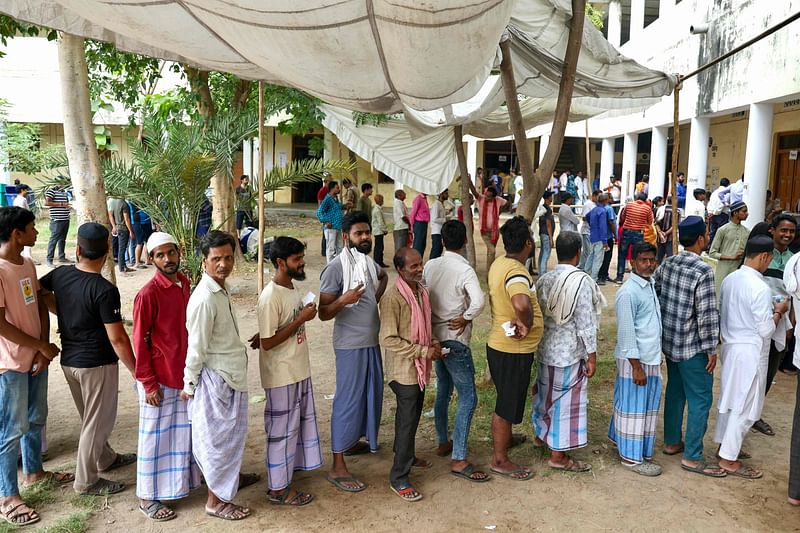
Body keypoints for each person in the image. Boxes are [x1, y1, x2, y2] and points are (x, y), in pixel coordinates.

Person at [40, 222, 138, 494]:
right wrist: (135, 370)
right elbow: (118, 338)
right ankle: (86, 481)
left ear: (78, 249)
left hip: (70, 361)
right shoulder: (104, 290)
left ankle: (105, 458)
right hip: (96, 364)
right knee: (97, 422)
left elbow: (39, 290)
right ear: (107, 251)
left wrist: (63, 312)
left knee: (89, 417)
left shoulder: (60, 274)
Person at [0, 207, 69, 527]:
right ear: (16, 235)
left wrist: (43, 348)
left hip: (35, 357)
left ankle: (34, 473)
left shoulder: (27, 263)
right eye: (31, 228)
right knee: (11, 430)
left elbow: (39, 304)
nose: (37, 232)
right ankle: (8, 496)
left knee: (35, 418)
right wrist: (38, 346)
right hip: (9, 363)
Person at [182, 230, 258, 521]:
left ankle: (228, 484)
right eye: (217, 259)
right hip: (217, 380)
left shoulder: (219, 288)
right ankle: (216, 502)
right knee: (218, 442)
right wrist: (189, 384)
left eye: (228, 257)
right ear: (205, 261)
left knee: (230, 439)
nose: (224, 264)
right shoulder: (203, 299)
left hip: (230, 375)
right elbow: (196, 348)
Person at [133, 232, 201, 521]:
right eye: (160, 255)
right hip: (158, 378)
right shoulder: (148, 294)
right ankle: (147, 496)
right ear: (151, 259)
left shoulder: (184, 282)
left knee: (183, 433)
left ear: (179, 252)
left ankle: (180, 486)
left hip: (183, 373)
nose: (167, 259)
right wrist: (148, 383)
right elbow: (139, 341)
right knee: (154, 438)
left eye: (171, 253)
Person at [319, 211, 388, 492]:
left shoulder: (368, 262)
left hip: (370, 341)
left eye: (368, 233)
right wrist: (345, 300)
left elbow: (383, 278)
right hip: (350, 345)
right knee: (347, 401)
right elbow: (323, 313)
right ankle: (337, 465)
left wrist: (373, 299)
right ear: (346, 237)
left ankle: (353, 443)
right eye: (359, 234)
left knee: (370, 395)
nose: (365, 237)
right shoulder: (336, 268)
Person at [251, 237, 322, 506]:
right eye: (297, 259)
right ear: (281, 263)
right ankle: (278, 490)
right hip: (281, 375)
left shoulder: (290, 287)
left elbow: (272, 331)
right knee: (281, 431)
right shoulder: (269, 297)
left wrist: (299, 318)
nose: (302, 262)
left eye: (302, 257)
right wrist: (300, 319)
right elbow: (268, 344)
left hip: (297, 369)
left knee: (295, 427)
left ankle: (288, 472)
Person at [653, 216, 725, 477]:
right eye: (705, 234)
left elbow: (657, 291)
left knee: (675, 392)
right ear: (700, 239)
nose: (707, 237)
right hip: (693, 347)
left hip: (671, 342)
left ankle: (672, 442)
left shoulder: (668, 263)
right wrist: (711, 349)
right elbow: (706, 314)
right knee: (700, 399)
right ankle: (693, 456)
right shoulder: (703, 271)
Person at [714, 235, 789, 480]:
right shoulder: (759, 287)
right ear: (765, 257)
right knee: (745, 407)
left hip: (732, 347)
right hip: (751, 351)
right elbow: (766, 329)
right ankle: (728, 458)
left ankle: (724, 446)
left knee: (730, 400)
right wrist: (778, 312)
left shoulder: (730, 279)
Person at [422, 220, 488, 482]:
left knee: (443, 391)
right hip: (455, 339)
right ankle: (459, 457)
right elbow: (479, 300)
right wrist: (467, 316)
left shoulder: (431, 265)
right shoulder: (464, 269)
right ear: (465, 242)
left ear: (442, 241)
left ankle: (442, 440)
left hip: (436, 339)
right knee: (468, 397)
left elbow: (424, 293)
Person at [532, 230, 600, 473]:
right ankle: (558, 455)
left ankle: (541, 436)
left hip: (545, 348)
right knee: (565, 402)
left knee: (545, 395)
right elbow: (585, 323)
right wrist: (591, 356)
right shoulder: (582, 282)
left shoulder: (545, 279)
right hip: (569, 352)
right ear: (579, 253)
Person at [379, 247, 439, 501]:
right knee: (406, 422)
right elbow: (387, 339)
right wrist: (423, 351)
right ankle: (399, 477)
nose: (419, 269)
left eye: (420, 264)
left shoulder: (421, 291)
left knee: (412, 418)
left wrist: (433, 342)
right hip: (404, 371)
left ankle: (408, 455)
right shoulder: (393, 298)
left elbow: (426, 324)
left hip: (420, 369)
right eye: (413, 266)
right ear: (400, 270)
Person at [487, 216, 544, 481]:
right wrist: (527, 322)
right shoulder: (517, 272)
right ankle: (500, 459)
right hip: (512, 349)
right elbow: (521, 303)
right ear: (528, 244)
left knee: (507, 399)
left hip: (501, 344)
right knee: (506, 403)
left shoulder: (500, 263)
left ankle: (506, 439)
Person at [608, 242, 663, 476]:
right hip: (636, 361)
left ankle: (621, 441)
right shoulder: (628, 293)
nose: (649, 264)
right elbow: (627, 334)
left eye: (652, 260)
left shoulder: (648, 285)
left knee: (642, 406)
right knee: (634, 408)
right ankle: (631, 458)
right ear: (633, 262)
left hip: (650, 357)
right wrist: (637, 368)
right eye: (643, 260)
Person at [752, 213, 798, 436]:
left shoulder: (794, 260)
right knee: (752, 369)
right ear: (773, 230)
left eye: (791, 231)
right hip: (756, 321)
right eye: (784, 230)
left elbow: (794, 295)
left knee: (769, 369)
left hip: (781, 324)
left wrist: (791, 323)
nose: (787, 235)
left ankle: (756, 414)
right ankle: (745, 411)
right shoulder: (761, 254)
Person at [708, 201, 749, 295]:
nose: (747, 214)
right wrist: (732, 257)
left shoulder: (747, 232)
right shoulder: (723, 230)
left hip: (739, 272)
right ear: (735, 213)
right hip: (723, 272)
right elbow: (712, 253)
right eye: (744, 211)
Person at [614, 192, 654, 284]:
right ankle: (636, 276)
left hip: (626, 232)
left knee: (622, 254)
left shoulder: (628, 205)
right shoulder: (647, 208)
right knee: (638, 255)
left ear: (636, 198)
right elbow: (650, 221)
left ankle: (619, 277)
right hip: (639, 233)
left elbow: (623, 217)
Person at [468, 182, 507, 271]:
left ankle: (489, 273)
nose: (487, 197)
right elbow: (474, 192)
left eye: (489, 196)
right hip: (484, 231)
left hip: (495, 232)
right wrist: (470, 182)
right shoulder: (481, 199)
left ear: (494, 197)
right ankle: (490, 271)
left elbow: (508, 204)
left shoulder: (498, 200)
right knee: (492, 250)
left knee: (490, 253)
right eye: (486, 195)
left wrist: (499, 211)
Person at [317, 180, 348, 263]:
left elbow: (338, 207)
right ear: (332, 189)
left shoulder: (335, 199)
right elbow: (319, 212)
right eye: (337, 188)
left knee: (340, 247)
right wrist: (326, 222)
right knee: (331, 248)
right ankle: (330, 266)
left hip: (338, 226)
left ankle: (338, 263)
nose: (339, 190)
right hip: (331, 227)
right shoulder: (327, 199)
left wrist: (345, 206)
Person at [44, 182, 72, 268]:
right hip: (57, 220)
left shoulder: (64, 192)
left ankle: (62, 257)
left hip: (65, 219)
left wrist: (68, 206)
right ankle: (49, 260)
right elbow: (47, 203)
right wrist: (61, 204)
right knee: (53, 240)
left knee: (62, 239)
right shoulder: (51, 191)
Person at [585, 193, 611, 282]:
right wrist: (605, 241)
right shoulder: (602, 211)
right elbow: (603, 227)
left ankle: (585, 273)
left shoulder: (594, 209)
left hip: (592, 235)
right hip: (600, 237)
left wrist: (592, 225)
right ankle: (593, 278)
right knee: (598, 259)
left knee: (591, 256)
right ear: (605, 201)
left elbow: (587, 217)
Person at [107, 196, 134, 275]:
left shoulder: (112, 202)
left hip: (117, 228)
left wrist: (114, 226)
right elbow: (126, 219)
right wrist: (131, 231)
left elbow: (110, 215)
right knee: (122, 249)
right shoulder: (124, 204)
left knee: (121, 248)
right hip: (123, 228)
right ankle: (122, 269)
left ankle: (124, 266)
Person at [597, 197, 618, 284]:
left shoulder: (597, 208)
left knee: (600, 256)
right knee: (607, 257)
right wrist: (615, 235)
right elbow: (611, 222)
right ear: (606, 200)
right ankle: (602, 276)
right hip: (608, 236)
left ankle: (603, 274)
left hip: (599, 236)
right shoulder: (609, 208)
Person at [577, 190, 598, 271]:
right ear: (594, 196)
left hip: (592, 231)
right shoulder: (587, 204)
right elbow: (584, 217)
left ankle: (582, 266)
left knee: (587, 251)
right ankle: (585, 268)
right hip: (587, 230)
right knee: (588, 251)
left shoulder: (596, 205)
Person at [707, 178, 732, 244]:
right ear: (728, 184)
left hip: (713, 214)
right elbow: (722, 203)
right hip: (722, 214)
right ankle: (717, 248)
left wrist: (710, 212)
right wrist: (716, 212)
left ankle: (710, 246)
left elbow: (710, 203)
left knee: (713, 231)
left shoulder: (714, 192)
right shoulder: (726, 192)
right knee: (721, 233)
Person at [130, 202, 153, 269]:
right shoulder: (132, 201)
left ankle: (147, 260)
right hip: (138, 222)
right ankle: (137, 262)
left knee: (148, 242)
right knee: (140, 243)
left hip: (147, 221)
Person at [655, 197, 678, 263]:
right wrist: (666, 233)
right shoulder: (676, 211)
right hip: (670, 238)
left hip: (660, 237)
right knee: (670, 258)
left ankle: (656, 272)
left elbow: (656, 223)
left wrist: (660, 233)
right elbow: (675, 226)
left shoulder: (660, 209)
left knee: (658, 258)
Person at [538, 191, 555, 275]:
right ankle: (543, 273)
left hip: (542, 232)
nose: (552, 198)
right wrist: (551, 238)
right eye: (551, 196)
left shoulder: (542, 208)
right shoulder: (547, 209)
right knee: (546, 254)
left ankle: (540, 271)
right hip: (546, 233)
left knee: (542, 253)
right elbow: (548, 224)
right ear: (548, 198)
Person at [429, 191, 448, 260]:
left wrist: (446, 213)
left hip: (440, 231)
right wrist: (445, 220)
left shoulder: (440, 204)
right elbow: (434, 219)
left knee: (439, 250)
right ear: (441, 194)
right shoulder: (436, 204)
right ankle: (431, 266)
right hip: (436, 231)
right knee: (436, 250)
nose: (447, 195)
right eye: (446, 193)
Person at [409, 192, 430, 257]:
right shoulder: (418, 199)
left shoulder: (424, 199)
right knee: (418, 243)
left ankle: (419, 259)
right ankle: (415, 259)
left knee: (423, 244)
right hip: (419, 223)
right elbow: (413, 213)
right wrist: (411, 225)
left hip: (424, 224)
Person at [371, 194, 389, 267]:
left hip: (378, 231)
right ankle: (377, 262)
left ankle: (380, 261)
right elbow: (380, 221)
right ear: (379, 201)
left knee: (380, 247)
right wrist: (384, 230)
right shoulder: (377, 210)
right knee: (379, 247)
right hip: (378, 231)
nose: (383, 201)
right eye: (382, 200)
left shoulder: (378, 209)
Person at [393, 189, 410, 254]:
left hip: (403, 227)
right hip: (400, 228)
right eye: (403, 193)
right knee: (400, 248)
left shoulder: (401, 202)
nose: (405, 194)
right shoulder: (398, 203)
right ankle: (398, 262)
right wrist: (409, 222)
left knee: (403, 247)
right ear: (399, 195)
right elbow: (402, 216)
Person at [317, 177, 330, 257]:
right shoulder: (322, 191)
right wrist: (323, 215)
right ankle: (324, 251)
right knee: (325, 233)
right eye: (329, 181)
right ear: (325, 182)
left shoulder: (329, 190)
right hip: (325, 214)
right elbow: (320, 203)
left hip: (329, 213)